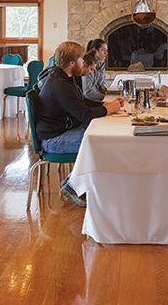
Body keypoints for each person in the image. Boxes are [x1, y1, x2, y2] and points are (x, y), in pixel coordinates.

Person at [36, 41, 123, 206]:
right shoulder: (59, 85)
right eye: (81, 60)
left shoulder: (64, 78)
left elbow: (82, 102)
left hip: (62, 131)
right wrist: (109, 109)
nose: (84, 63)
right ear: (72, 63)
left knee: (100, 137)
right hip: (54, 140)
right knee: (101, 143)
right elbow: (84, 115)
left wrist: (105, 106)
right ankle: (72, 186)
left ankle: (76, 182)